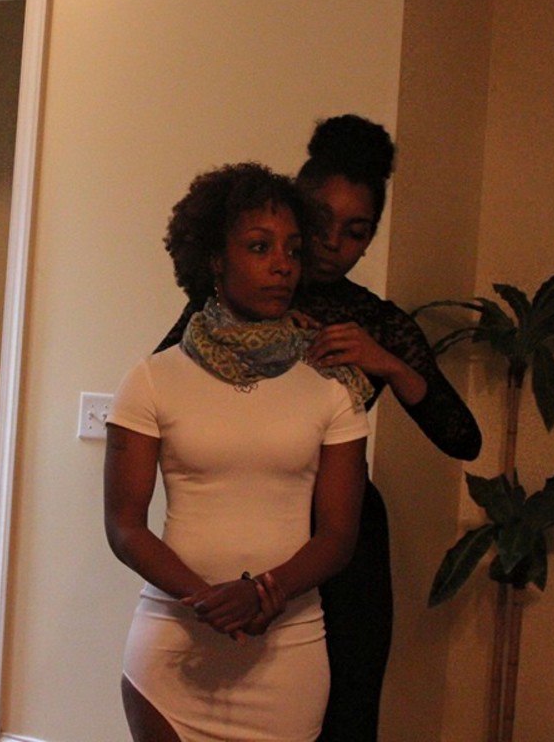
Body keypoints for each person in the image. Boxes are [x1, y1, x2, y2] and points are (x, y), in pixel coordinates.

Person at [156, 116, 482, 742]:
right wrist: (260, 345)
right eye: (323, 222)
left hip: (346, 540)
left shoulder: (378, 322)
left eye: (357, 232)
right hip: (250, 518)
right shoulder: (233, 300)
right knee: (231, 697)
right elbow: (164, 388)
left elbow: (462, 438)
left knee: (347, 706)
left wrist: (385, 361)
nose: (334, 243)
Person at [105, 162, 374, 742]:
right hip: (174, 644)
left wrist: (262, 593)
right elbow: (125, 525)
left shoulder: (333, 384)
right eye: (259, 246)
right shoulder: (152, 379)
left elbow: (338, 535)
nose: (282, 265)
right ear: (214, 259)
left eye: (293, 250)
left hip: (289, 652)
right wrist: (207, 600)